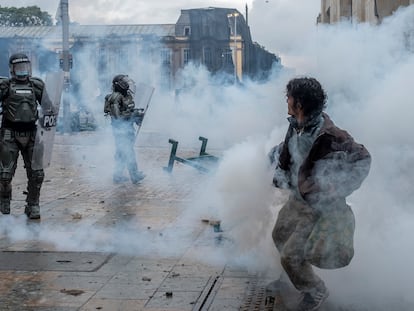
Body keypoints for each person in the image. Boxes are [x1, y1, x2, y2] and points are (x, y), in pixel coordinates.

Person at [268, 77, 371, 310]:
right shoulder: (295, 123)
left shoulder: (332, 135)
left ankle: (315, 291)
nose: (286, 100)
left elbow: (363, 159)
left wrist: (339, 187)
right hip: (297, 197)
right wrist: (275, 162)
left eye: (289, 97)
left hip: (316, 205)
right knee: (279, 235)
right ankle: (292, 278)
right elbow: (288, 148)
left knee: (291, 255)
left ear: (300, 103)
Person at [0, 53, 52, 219]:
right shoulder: (5, 85)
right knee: (4, 175)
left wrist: (49, 118)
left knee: (37, 173)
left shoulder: (36, 84)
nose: (23, 70)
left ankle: (33, 204)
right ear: (12, 68)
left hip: (32, 133)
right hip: (10, 134)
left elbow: (48, 107)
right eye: (19, 67)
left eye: (25, 67)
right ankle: (5, 200)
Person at [104, 74, 145, 184]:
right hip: (120, 130)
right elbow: (118, 117)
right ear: (119, 85)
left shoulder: (127, 95)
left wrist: (137, 117)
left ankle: (117, 175)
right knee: (128, 151)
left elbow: (129, 111)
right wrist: (132, 116)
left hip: (128, 128)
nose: (127, 84)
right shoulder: (115, 97)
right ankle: (134, 175)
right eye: (124, 82)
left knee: (121, 152)